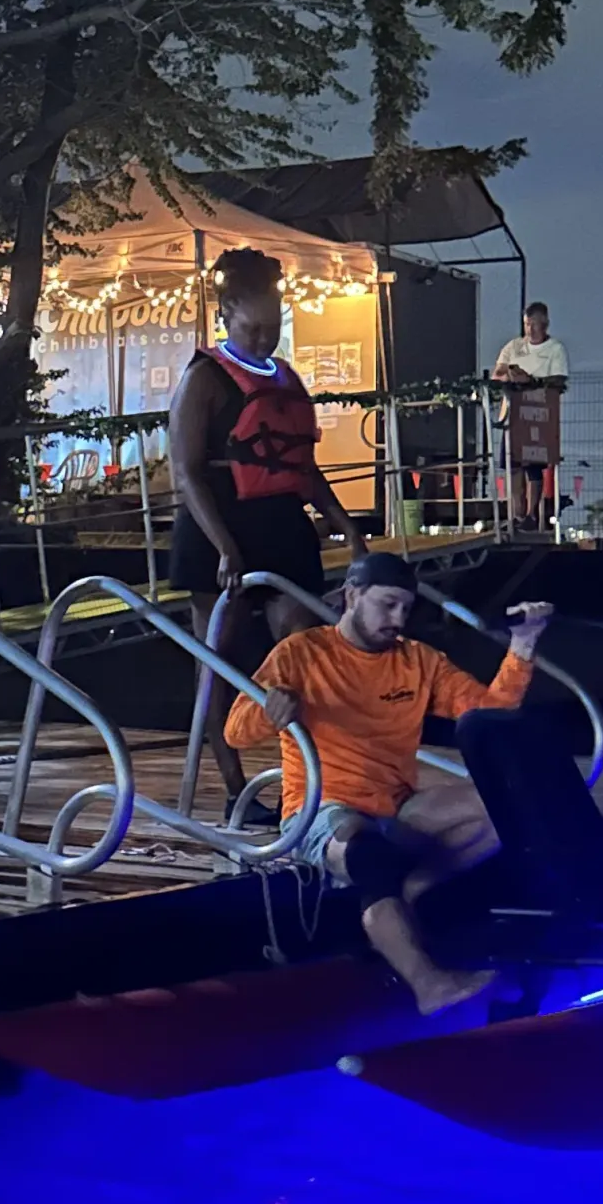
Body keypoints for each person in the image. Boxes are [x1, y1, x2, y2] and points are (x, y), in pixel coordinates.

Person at [225, 551, 554, 1014]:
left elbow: (490, 712)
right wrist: (270, 709)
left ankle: (410, 895)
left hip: (396, 805)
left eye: (406, 607)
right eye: (387, 605)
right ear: (352, 596)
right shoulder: (301, 653)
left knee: (509, 807)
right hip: (321, 809)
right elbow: (234, 731)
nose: (398, 619)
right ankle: (428, 985)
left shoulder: (418, 661)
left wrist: (523, 645)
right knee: (371, 858)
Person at [172, 247, 366, 824]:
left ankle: (302, 777)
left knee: (300, 649)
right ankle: (235, 788)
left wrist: (349, 530)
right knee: (217, 661)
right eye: (252, 328)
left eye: (272, 328)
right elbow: (185, 471)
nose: (262, 340)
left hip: (281, 521)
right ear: (228, 313)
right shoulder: (204, 378)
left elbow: (302, 467)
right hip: (217, 525)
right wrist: (226, 546)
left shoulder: (285, 379)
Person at [492, 302, 569, 530]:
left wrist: (533, 382)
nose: (530, 330)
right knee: (513, 463)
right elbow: (498, 372)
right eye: (527, 324)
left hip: (539, 412)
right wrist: (513, 373)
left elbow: (559, 380)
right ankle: (517, 513)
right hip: (513, 412)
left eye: (535, 325)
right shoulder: (514, 346)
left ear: (545, 324)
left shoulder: (555, 349)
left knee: (533, 464)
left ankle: (531, 514)